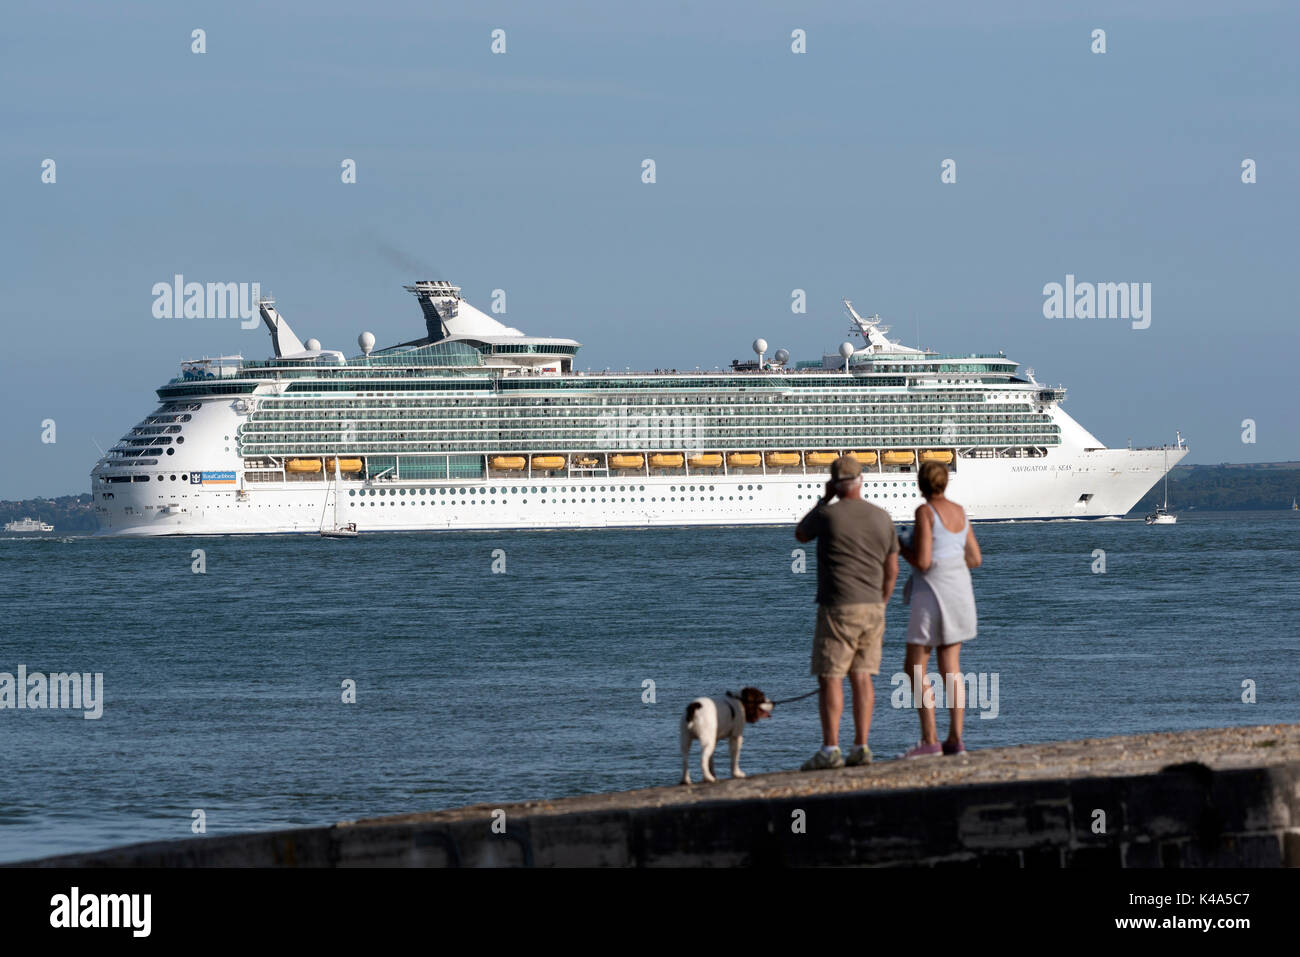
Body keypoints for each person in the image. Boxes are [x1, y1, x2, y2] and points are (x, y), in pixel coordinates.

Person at [794, 455, 899, 769]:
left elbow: (801, 533)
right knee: (863, 678)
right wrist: (882, 601)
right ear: (861, 481)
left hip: (839, 606)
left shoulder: (828, 515)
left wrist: (824, 498)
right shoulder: (882, 517)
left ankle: (830, 749)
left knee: (831, 677)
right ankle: (862, 747)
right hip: (873, 607)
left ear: (835, 484)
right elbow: (892, 568)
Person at [897, 461, 981, 758]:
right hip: (960, 590)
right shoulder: (959, 511)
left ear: (920, 484)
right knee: (951, 669)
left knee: (916, 666)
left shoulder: (924, 512)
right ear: (945, 482)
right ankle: (956, 740)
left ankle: (930, 739)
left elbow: (922, 561)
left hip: (932, 592)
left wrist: (899, 546)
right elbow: (975, 557)